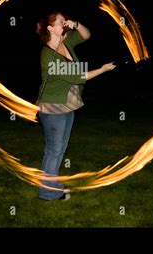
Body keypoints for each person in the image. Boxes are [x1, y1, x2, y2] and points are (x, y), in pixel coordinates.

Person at [35, 11, 116, 201]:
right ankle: (47, 193)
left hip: (68, 105)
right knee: (54, 150)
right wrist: (103, 70)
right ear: (50, 28)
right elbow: (80, 77)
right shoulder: (49, 56)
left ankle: (52, 185)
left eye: (65, 20)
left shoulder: (66, 43)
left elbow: (87, 35)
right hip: (53, 108)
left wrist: (76, 24)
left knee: (57, 149)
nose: (64, 23)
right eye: (60, 21)